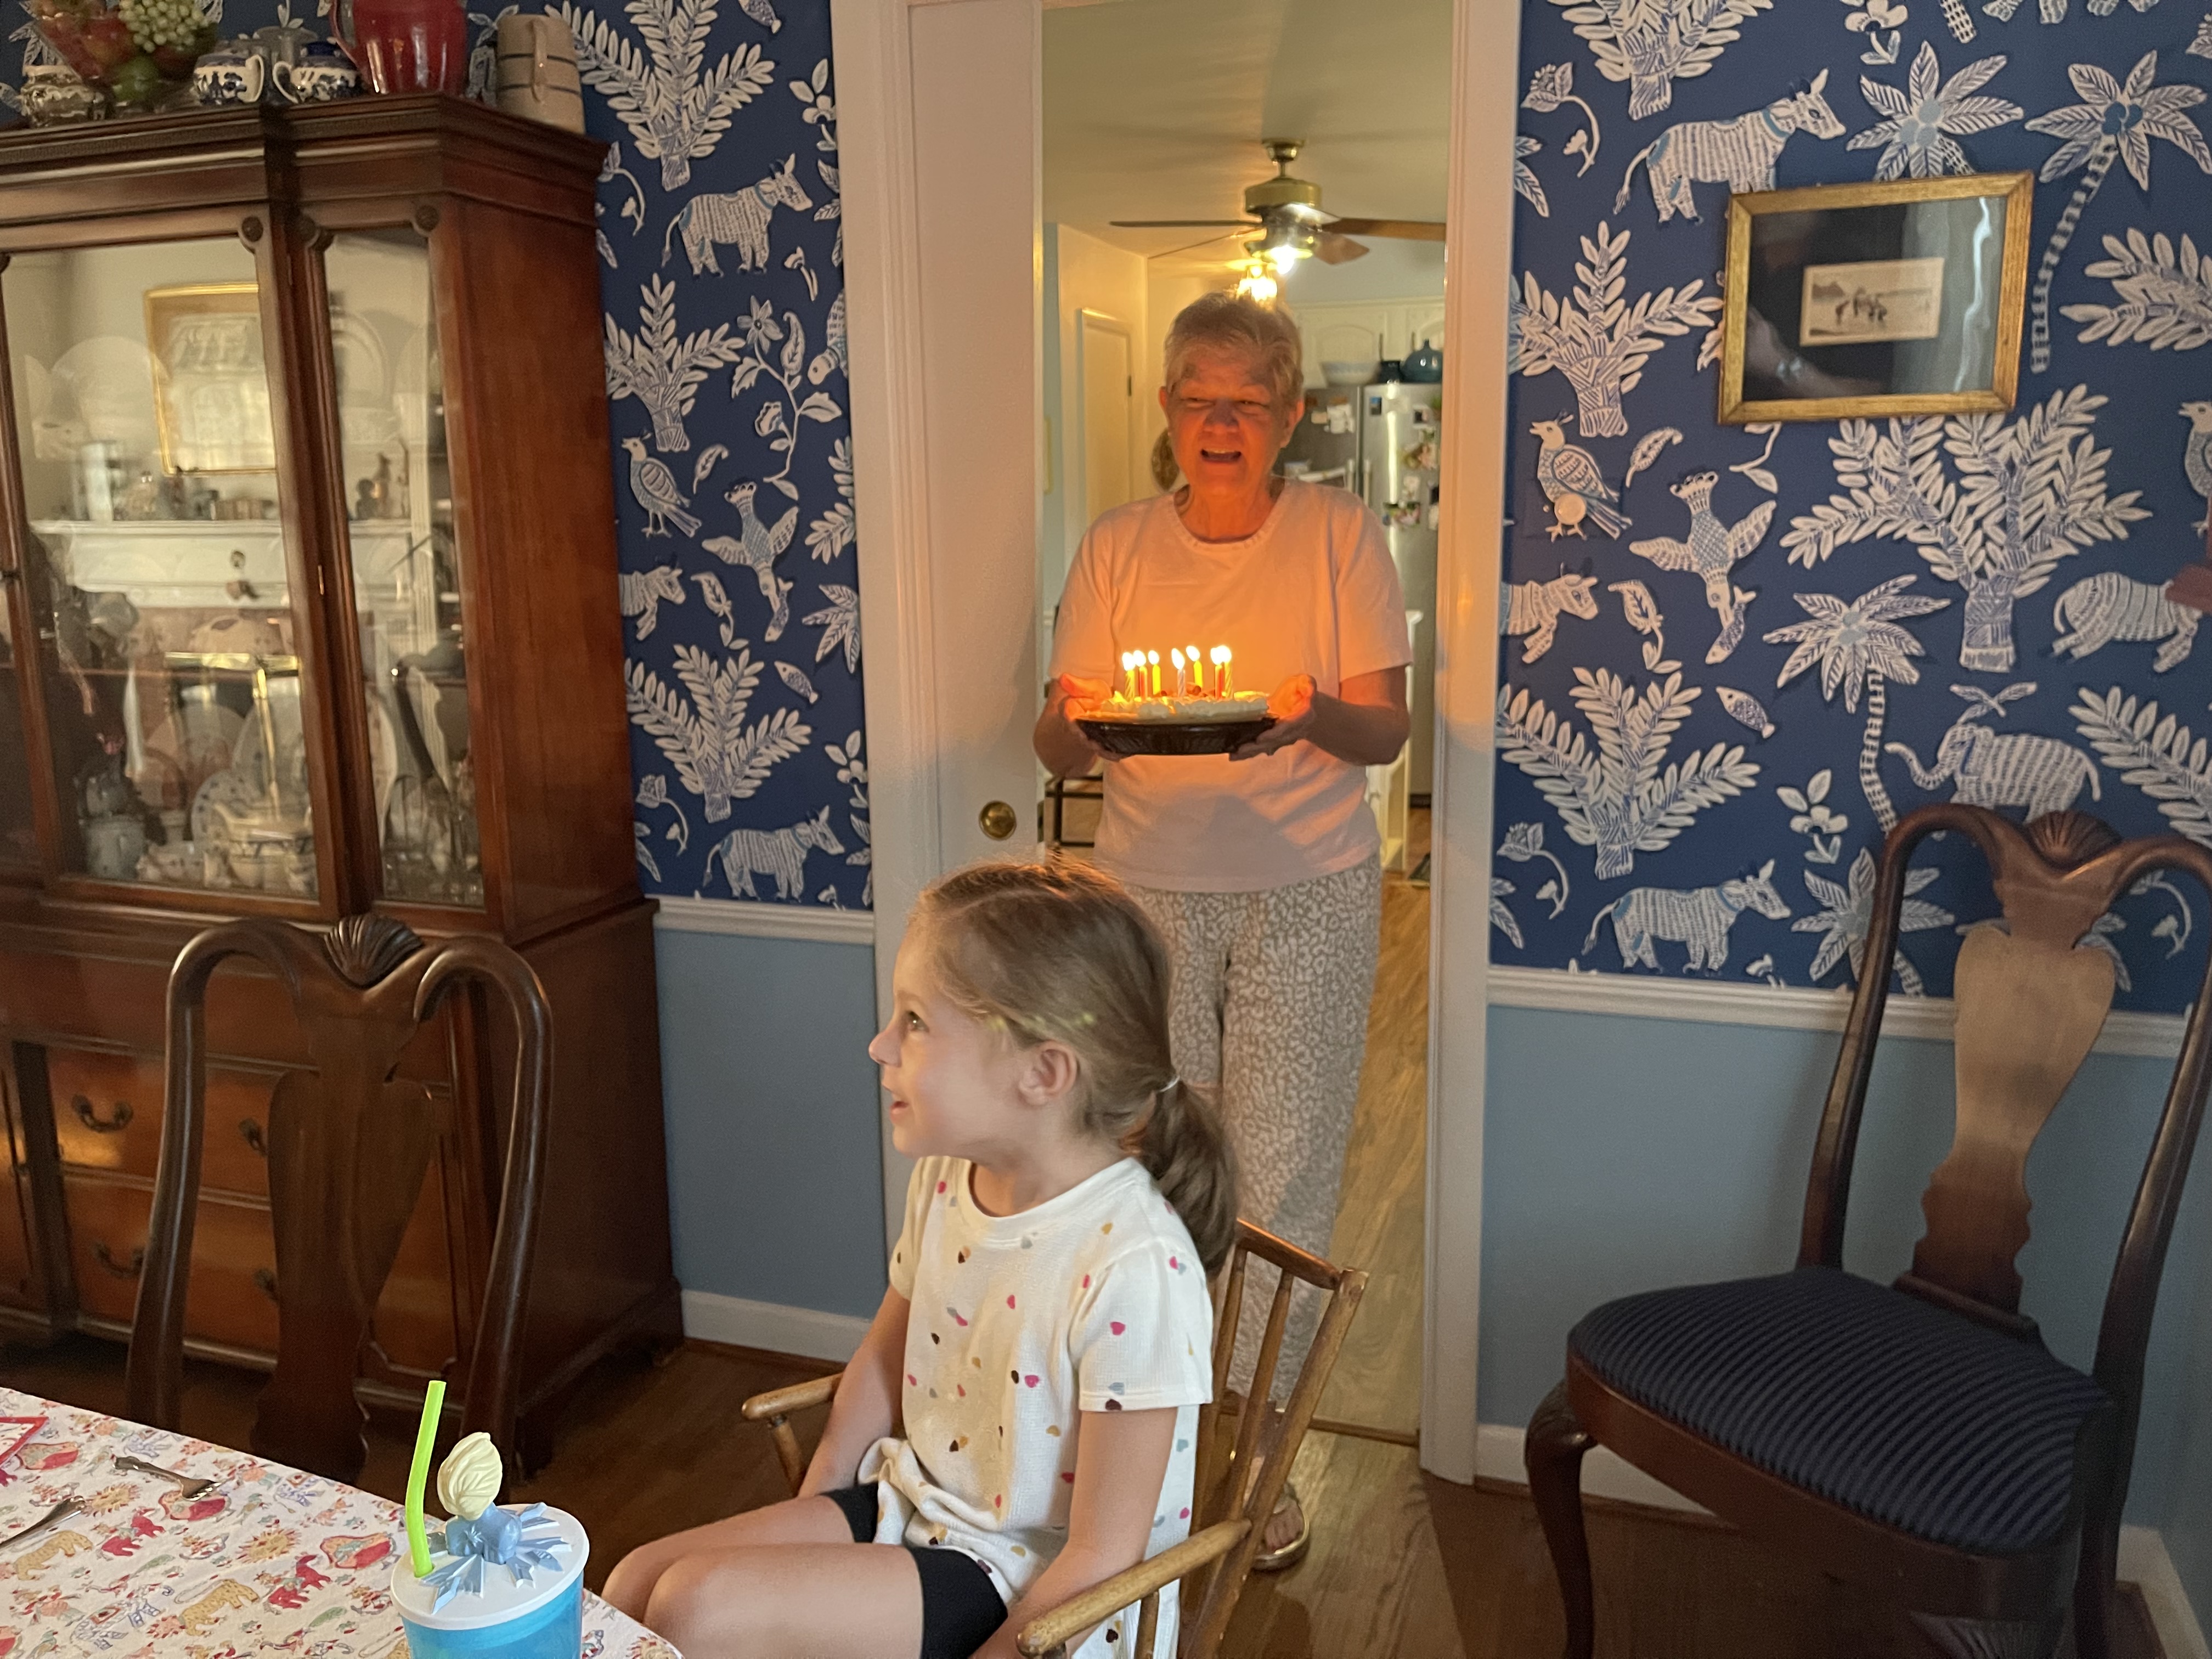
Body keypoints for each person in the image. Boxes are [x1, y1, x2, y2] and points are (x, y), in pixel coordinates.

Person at [603, 859, 1235, 1659]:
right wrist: (809, 1518)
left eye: (915, 1022)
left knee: (698, 1610)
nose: (880, 1045)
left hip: (1030, 1583)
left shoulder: (1135, 1267)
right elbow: (883, 1354)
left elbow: (1103, 1557)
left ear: (1042, 1072)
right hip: (913, 1505)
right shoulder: (947, 1177)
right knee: (636, 1584)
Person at [1032, 291, 1409, 1567]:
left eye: (1249, 400)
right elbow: (1058, 739)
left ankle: (1259, 1454)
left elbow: (1384, 730)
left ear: (1290, 414)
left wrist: (1308, 716)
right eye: (1200, 397)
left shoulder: (1341, 535)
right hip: (1146, 892)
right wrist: (1082, 724)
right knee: (1150, 1163)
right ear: (1167, 409)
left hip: (1309, 886)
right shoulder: (1117, 548)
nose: (1223, 421)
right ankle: (1149, 1438)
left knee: (1282, 1174)